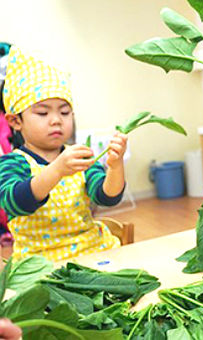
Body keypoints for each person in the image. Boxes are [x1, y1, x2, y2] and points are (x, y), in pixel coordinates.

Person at [0, 46, 128, 261]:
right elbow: (16, 202)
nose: (56, 119)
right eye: (42, 112)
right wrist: (57, 170)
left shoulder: (81, 156)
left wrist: (115, 167)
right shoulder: (11, 163)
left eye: (64, 111)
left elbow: (107, 197)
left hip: (92, 251)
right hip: (39, 264)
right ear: (15, 121)